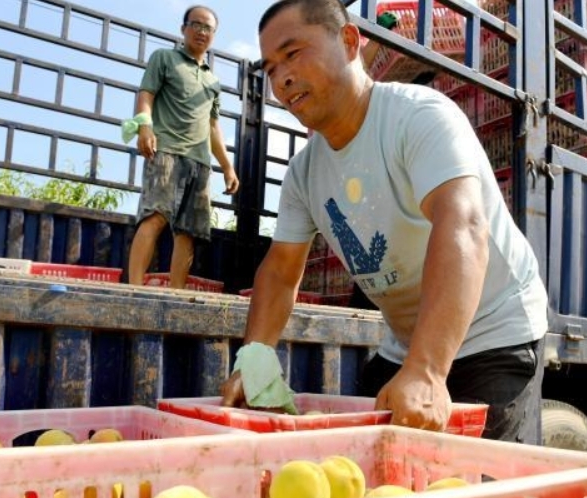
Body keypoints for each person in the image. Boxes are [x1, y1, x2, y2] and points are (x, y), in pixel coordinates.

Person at [220, 0, 548, 444]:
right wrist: (253, 361)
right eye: (271, 68)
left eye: (293, 54)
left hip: (494, 329)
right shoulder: (303, 174)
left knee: (477, 492)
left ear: (350, 41)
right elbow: (279, 271)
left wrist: (428, 370)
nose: (282, 78)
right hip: (405, 344)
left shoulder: (419, 116)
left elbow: (464, 227)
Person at [126, 5, 240, 288]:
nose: (202, 31)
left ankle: (175, 297)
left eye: (208, 28)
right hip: (166, 151)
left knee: (188, 232)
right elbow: (146, 94)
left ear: (214, 35)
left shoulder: (213, 81)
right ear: (183, 28)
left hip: (199, 162)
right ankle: (133, 291)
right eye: (196, 24)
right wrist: (145, 127)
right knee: (154, 218)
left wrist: (227, 167)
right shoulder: (164, 58)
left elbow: (214, 127)